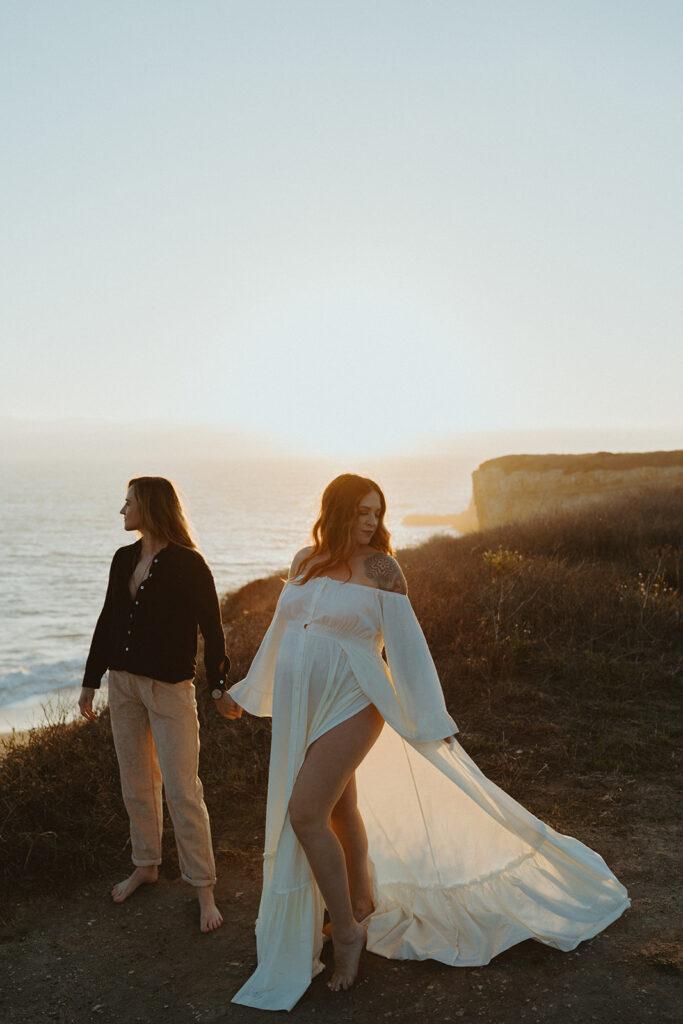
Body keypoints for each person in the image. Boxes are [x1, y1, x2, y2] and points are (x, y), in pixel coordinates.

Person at [217, 474, 629, 1011]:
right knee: (341, 812)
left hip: (355, 702)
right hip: (302, 707)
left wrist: (429, 717)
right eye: (363, 511)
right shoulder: (303, 561)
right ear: (336, 510)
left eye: (378, 512)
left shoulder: (383, 569)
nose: (372, 522)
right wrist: (247, 693)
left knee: (304, 815)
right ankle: (362, 902)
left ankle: (345, 931)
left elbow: (408, 648)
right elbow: (281, 632)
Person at [79, 476, 229, 932]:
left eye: (128, 503)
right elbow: (109, 618)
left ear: (149, 506)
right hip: (123, 686)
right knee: (136, 782)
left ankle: (203, 887)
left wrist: (217, 688)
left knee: (183, 790)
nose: (122, 510)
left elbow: (214, 629)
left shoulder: (188, 563)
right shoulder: (124, 557)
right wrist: (91, 679)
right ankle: (146, 864)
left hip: (169, 689)